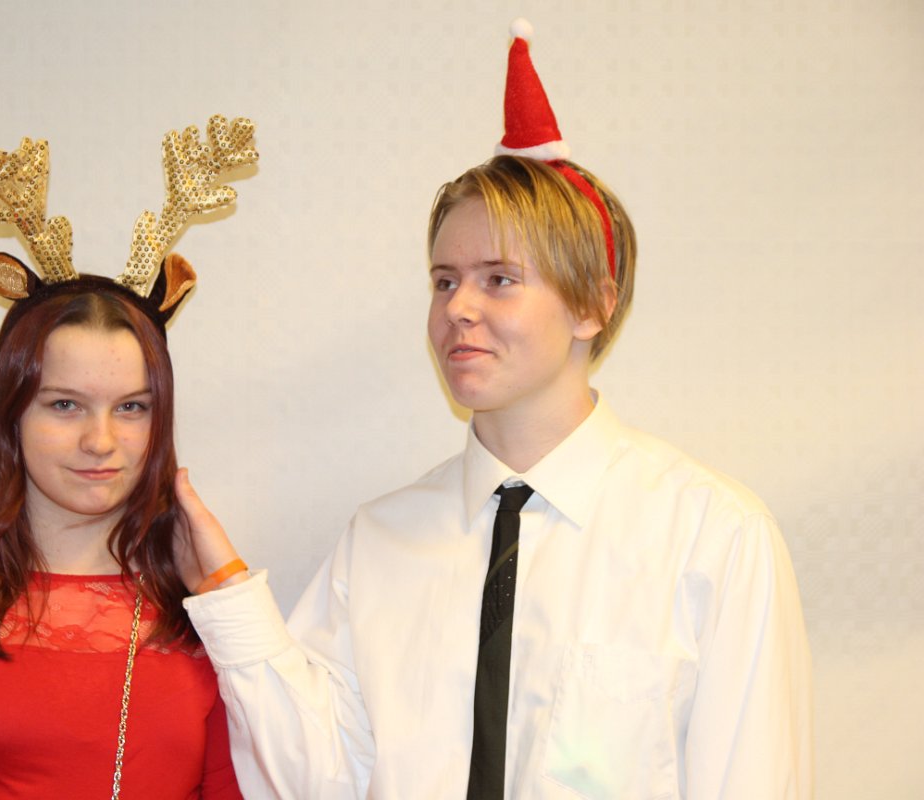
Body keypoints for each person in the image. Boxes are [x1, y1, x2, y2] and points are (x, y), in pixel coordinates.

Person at [174, 21, 812, 799]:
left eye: (499, 279)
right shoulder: (380, 543)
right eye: (444, 280)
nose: (458, 308)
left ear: (592, 306)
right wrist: (227, 590)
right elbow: (314, 782)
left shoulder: (712, 538)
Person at [0, 118, 258, 799]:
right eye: (65, 405)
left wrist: (227, 591)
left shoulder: (202, 611)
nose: (101, 441)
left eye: (132, 407)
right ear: (10, 413)